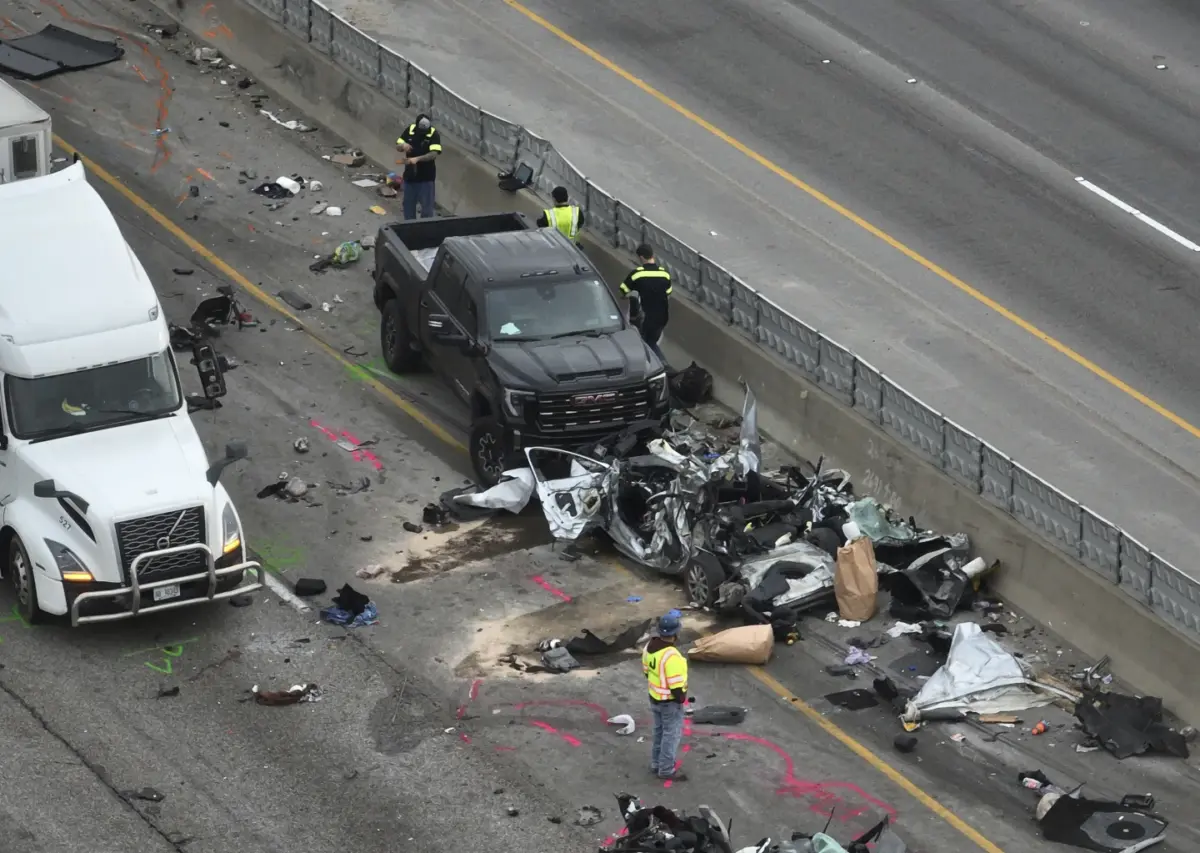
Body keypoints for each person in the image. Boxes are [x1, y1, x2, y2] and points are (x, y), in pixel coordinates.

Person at [642, 611, 689, 782]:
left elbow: (647, 672)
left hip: (654, 697)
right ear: (675, 634)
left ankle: (656, 764)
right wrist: (681, 699)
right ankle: (666, 769)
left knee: (659, 731)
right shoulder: (672, 657)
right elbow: (676, 686)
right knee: (671, 735)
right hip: (669, 703)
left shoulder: (649, 647)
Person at [620, 244, 672, 362]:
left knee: (644, 345)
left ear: (641, 257)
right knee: (651, 343)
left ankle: (663, 366)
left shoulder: (637, 274)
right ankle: (663, 365)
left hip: (644, 318)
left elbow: (623, 291)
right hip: (662, 318)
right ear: (653, 255)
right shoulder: (665, 274)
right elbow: (668, 294)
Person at [396, 114, 443, 220]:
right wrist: (403, 146)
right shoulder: (410, 129)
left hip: (426, 178)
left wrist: (417, 159)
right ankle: (409, 228)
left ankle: (424, 231)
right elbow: (398, 145)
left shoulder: (434, 134)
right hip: (410, 176)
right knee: (408, 206)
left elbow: (433, 154)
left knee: (427, 209)